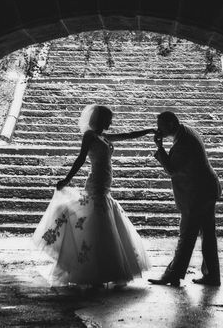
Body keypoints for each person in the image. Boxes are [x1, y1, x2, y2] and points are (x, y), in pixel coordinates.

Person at [31, 104, 155, 288]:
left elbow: (127, 135)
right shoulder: (89, 135)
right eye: (108, 119)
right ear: (100, 119)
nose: (111, 122)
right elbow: (81, 159)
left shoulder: (103, 136)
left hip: (104, 183)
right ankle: (93, 271)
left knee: (104, 223)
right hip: (96, 182)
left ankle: (104, 269)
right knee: (97, 223)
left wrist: (149, 130)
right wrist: (66, 179)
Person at [148, 111, 223, 286]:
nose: (158, 130)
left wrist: (159, 148)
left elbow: (172, 169)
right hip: (206, 189)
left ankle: (172, 274)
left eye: (161, 127)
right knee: (208, 235)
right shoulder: (187, 131)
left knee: (187, 234)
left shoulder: (183, 143)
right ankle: (212, 275)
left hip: (197, 194)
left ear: (172, 124)